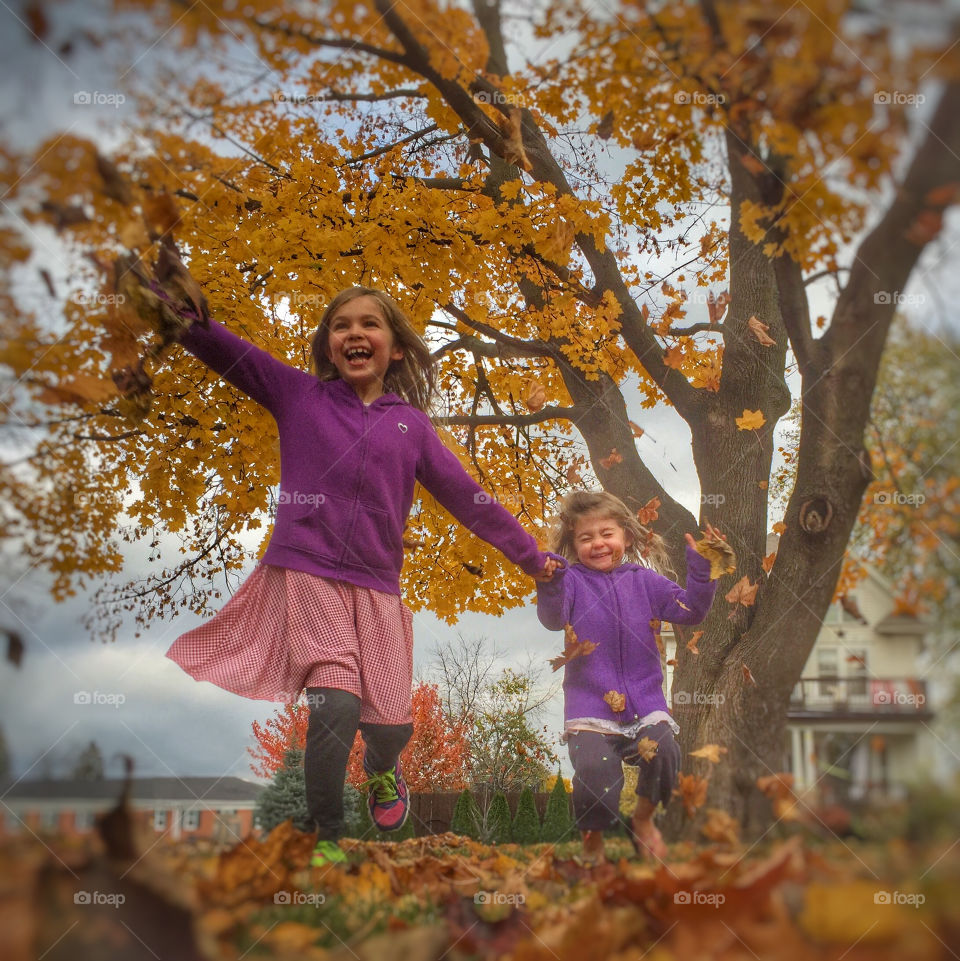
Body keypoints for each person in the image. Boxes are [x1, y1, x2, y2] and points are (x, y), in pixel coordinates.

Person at [161, 286, 556, 866]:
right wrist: (179, 316)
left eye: (369, 324)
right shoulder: (298, 395)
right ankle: (325, 839)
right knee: (335, 705)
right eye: (339, 325)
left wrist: (532, 557)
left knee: (391, 726)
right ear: (327, 344)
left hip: (376, 589)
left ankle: (381, 769)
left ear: (394, 348)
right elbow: (233, 355)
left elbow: (470, 500)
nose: (353, 333)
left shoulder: (411, 428)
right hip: (307, 574)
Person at [536, 490, 719, 864]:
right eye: (585, 538)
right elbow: (553, 619)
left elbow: (693, 611)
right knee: (594, 774)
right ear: (573, 544)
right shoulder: (570, 581)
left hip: (645, 703)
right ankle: (592, 842)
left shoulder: (646, 582)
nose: (598, 544)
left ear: (627, 537)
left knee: (665, 752)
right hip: (590, 705)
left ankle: (644, 820)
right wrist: (550, 583)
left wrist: (702, 571)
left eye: (607, 534)